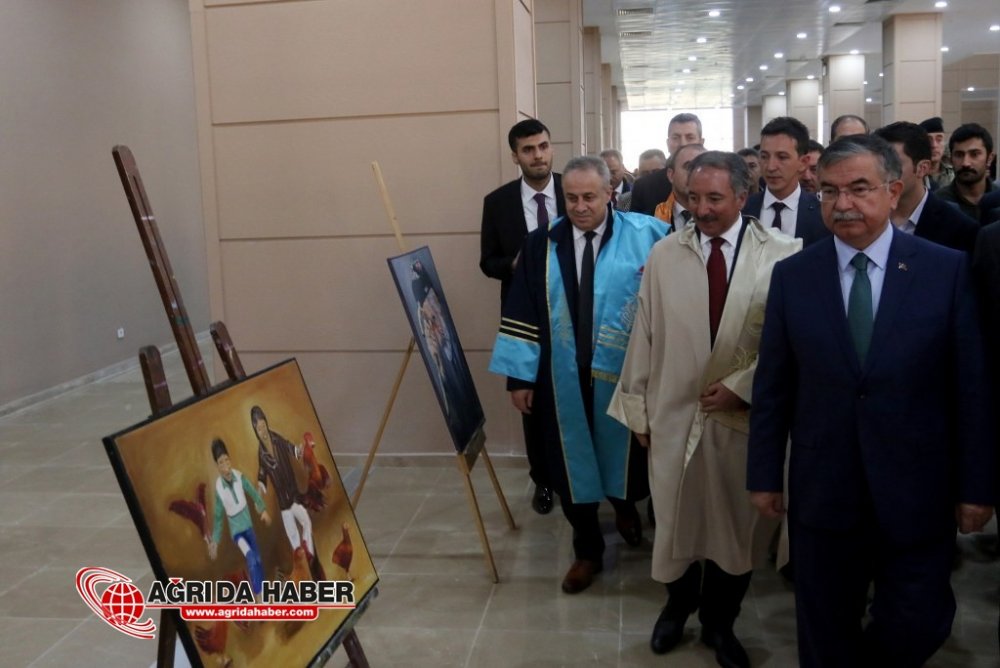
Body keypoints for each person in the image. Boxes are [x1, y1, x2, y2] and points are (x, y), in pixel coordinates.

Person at [747, 134, 995, 667]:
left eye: (859, 189)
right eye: (829, 192)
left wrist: (977, 487)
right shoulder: (794, 276)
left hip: (917, 490)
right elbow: (773, 386)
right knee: (824, 629)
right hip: (824, 490)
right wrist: (764, 474)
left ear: (893, 191)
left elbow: (970, 388)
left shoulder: (944, 270)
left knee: (919, 622)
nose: (843, 204)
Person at [609, 151, 800, 668]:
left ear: (743, 195)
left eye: (715, 198)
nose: (702, 209)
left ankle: (720, 622)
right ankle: (676, 607)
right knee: (676, 521)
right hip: (673, 410)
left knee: (735, 529)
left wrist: (744, 386)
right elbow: (644, 333)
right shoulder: (666, 254)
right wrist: (638, 407)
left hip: (745, 421)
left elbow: (792, 342)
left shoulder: (784, 255)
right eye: (693, 198)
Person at [488, 155, 668, 594]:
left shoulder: (649, 236)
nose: (580, 207)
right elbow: (522, 309)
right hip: (560, 376)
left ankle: (624, 507)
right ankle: (587, 549)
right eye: (571, 198)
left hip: (625, 374)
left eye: (589, 197)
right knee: (570, 463)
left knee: (626, 458)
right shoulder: (540, 244)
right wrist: (520, 378)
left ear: (610, 193)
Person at [479, 118, 566, 515]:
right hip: (525, 318)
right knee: (531, 401)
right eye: (528, 150)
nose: (538, 156)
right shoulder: (497, 202)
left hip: (575, 312)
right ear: (515, 156)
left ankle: (581, 478)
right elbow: (487, 262)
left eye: (543, 146)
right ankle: (543, 480)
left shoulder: (573, 190)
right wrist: (513, 265)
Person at [872, 121, 980, 252]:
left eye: (893, 165)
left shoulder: (959, 228)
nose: (882, 173)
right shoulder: (865, 216)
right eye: (877, 165)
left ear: (922, 168)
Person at [252, 405, 323, 580]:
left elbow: (291, 448)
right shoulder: (261, 454)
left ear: (266, 423)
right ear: (255, 431)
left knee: (306, 523)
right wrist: (260, 488)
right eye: (258, 429)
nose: (262, 431)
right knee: (293, 539)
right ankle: (303, 570)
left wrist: (300, 450)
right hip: (283, 506)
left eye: (263, 426)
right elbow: (262, 473)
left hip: (294, 496)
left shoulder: (277, 439)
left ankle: (309, 556)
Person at [743, 116, 829, 247]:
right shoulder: (742, 210)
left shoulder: (822, 214)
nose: (771, 167)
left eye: (782, 157)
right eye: (764, 156)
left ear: (803, 162)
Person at [208, 438, 270, 598]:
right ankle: (258, 595)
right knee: (251, 557)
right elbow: (218, 517)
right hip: (238, 533)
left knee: (258, 558)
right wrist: (215, 541)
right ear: (217, 466)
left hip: (248, 527)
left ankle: (263, 594)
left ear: (230, 459)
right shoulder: (219, 489)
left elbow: (253, 493)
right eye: (221, 462)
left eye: (226, 460)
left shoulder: (239, 476)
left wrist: (262, 510)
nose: (225, 465)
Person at [630, 113, 703, 215]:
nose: (683, 144)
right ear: (668, 144)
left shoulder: (719, 182)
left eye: (690, 137)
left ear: (701, 143)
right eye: (676, 138)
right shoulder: (644, 187)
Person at [936, 122, 997, 221]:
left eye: (974, 154)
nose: (965, 163)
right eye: (959, 155)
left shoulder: (997, 199)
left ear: (989, 158)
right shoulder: (937, 204)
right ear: (951, 159)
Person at [653, 143, 706, 231]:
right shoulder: (653, 216)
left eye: (702, 168)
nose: (696, 174)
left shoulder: (724, 217)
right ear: (671, 175)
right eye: (688, 167)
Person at [919, 117, 954, 191]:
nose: (934, 145)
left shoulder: (953, 174)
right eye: (928, 141)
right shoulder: (915, 175)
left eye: (939, 140)